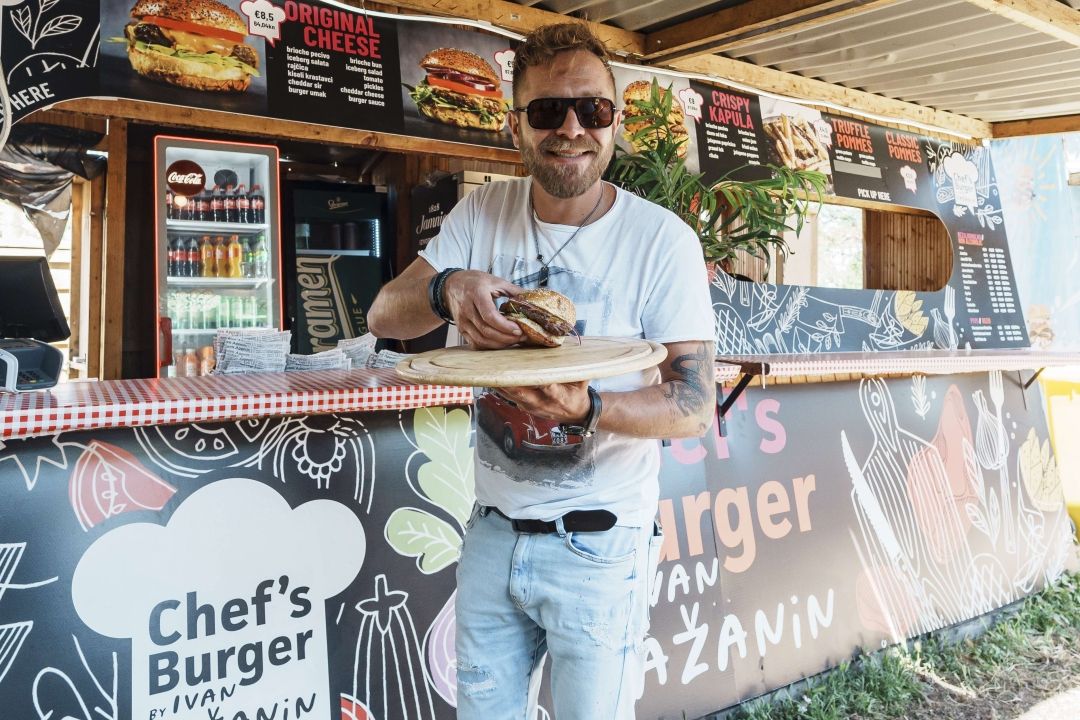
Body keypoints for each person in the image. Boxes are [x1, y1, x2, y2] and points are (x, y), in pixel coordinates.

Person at [367, 22, 716, 720]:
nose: (571, 129)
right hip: (492, 534)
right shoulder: (481, 214)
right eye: (547, 110)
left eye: (592, 109)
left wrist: (589, 410)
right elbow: (384, 316)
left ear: (614, 121)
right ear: (515, 125)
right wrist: (446, 289)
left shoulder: (661, 241)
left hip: (602, 543)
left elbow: (693, 403)